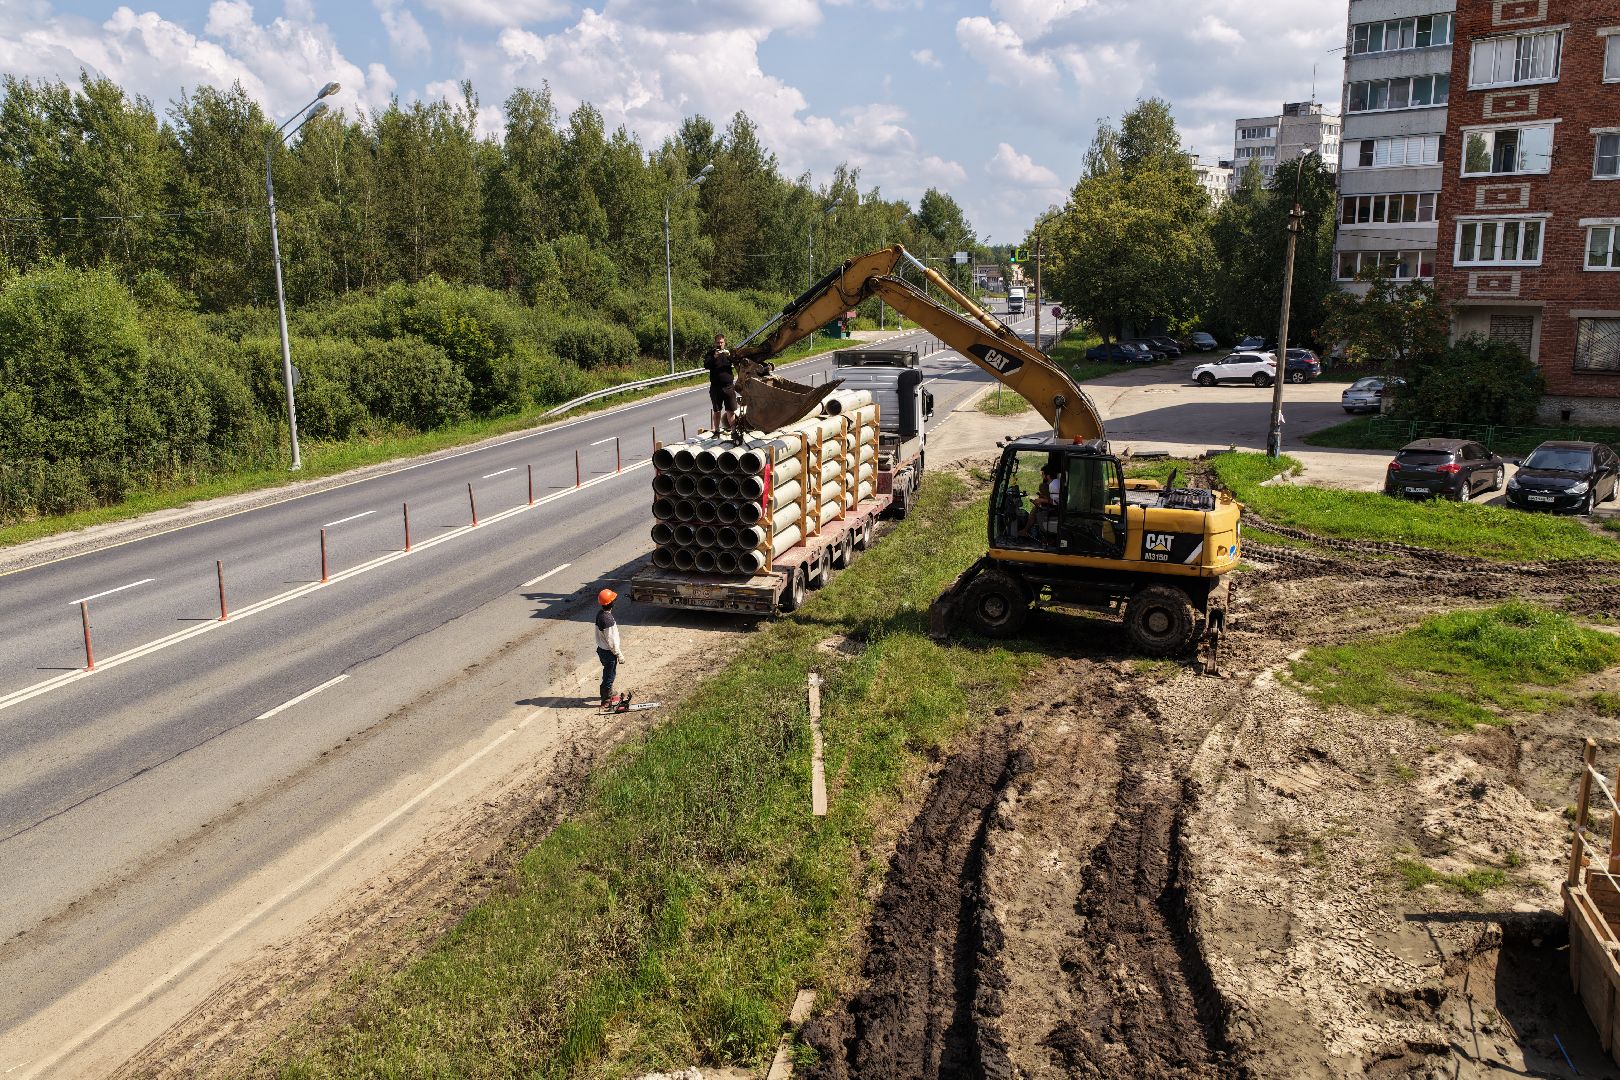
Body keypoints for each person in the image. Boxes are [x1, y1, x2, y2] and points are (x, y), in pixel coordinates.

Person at [595, 588, 625, 707]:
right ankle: (606, 700)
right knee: (609, 674)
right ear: (611, 603)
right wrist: (619, 654)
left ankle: (609, 692)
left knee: (608, 672)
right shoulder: (608, 620)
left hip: (601, 649)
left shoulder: (600, 614)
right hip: (608, 652)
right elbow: (612, 642)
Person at [704, 334, 738, 432]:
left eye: (721, 342)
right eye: (718, 342)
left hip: (728, 387)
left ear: (724, 343)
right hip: (716, 388)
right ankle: (717, 430)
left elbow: (736, 361)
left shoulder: (728, 354)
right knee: (717, 411)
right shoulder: (710, 354)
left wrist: (730, 356)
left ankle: (734, 431)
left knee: (730, 411)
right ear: (715, 343)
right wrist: (715, 356)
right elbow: (706, 365)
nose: (719, 344)